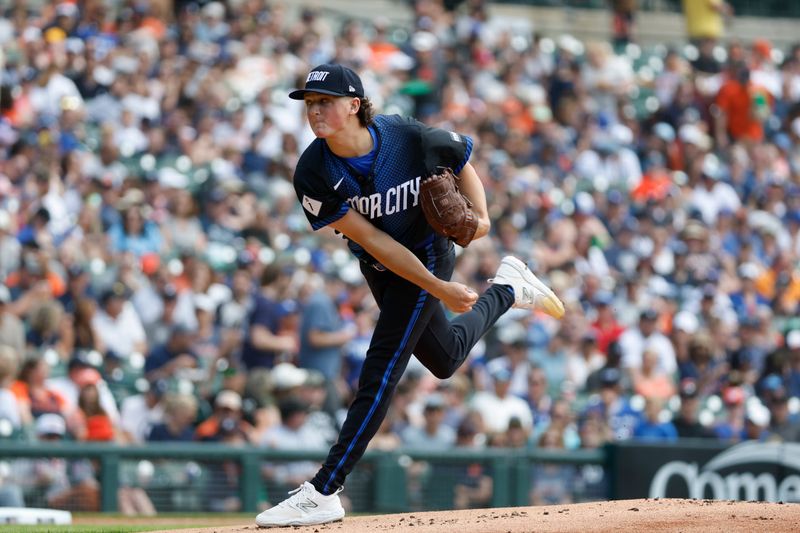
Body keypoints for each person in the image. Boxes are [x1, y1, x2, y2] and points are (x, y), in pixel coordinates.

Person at [255, 63, 564, 527]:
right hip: (384, 267)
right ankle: (507, 288)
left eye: (325, 102)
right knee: (443, 359)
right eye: (310, 104)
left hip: (428, 250)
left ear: (354, 106)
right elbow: (374, 241)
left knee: (380, 372)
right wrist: (438, 290)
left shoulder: (405, 135)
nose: (314, 112)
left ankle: (324, 490)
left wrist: (481, 222)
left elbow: (461, 162)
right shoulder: (313, 171)